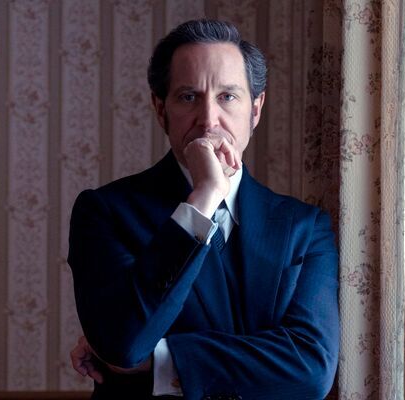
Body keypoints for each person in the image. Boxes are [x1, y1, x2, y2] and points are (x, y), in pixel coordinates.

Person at [68, 19, 339, 399]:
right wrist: (205, 196)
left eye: (227, 96)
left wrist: (161, 361)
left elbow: (312, 370)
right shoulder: (104, 212)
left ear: (255, 109)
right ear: (160, 109)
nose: (209, 120)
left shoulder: (305, 226)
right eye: (188, 97)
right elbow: (125, 345)